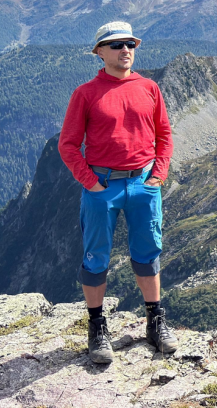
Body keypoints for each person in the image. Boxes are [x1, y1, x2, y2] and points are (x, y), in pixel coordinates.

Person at [59, 21, 179, 364]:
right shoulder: (85, 94)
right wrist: (90, 181)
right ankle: (97, 328)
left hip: (143, 182)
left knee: (148, 251)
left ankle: (155, 322)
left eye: (130, 43)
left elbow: (164, 135)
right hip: (102, 184)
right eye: (116, 45)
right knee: (96, 256)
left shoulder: (150, 88)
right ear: (99, 52)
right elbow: (68, 145)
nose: (125, 49)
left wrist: (159, 173)